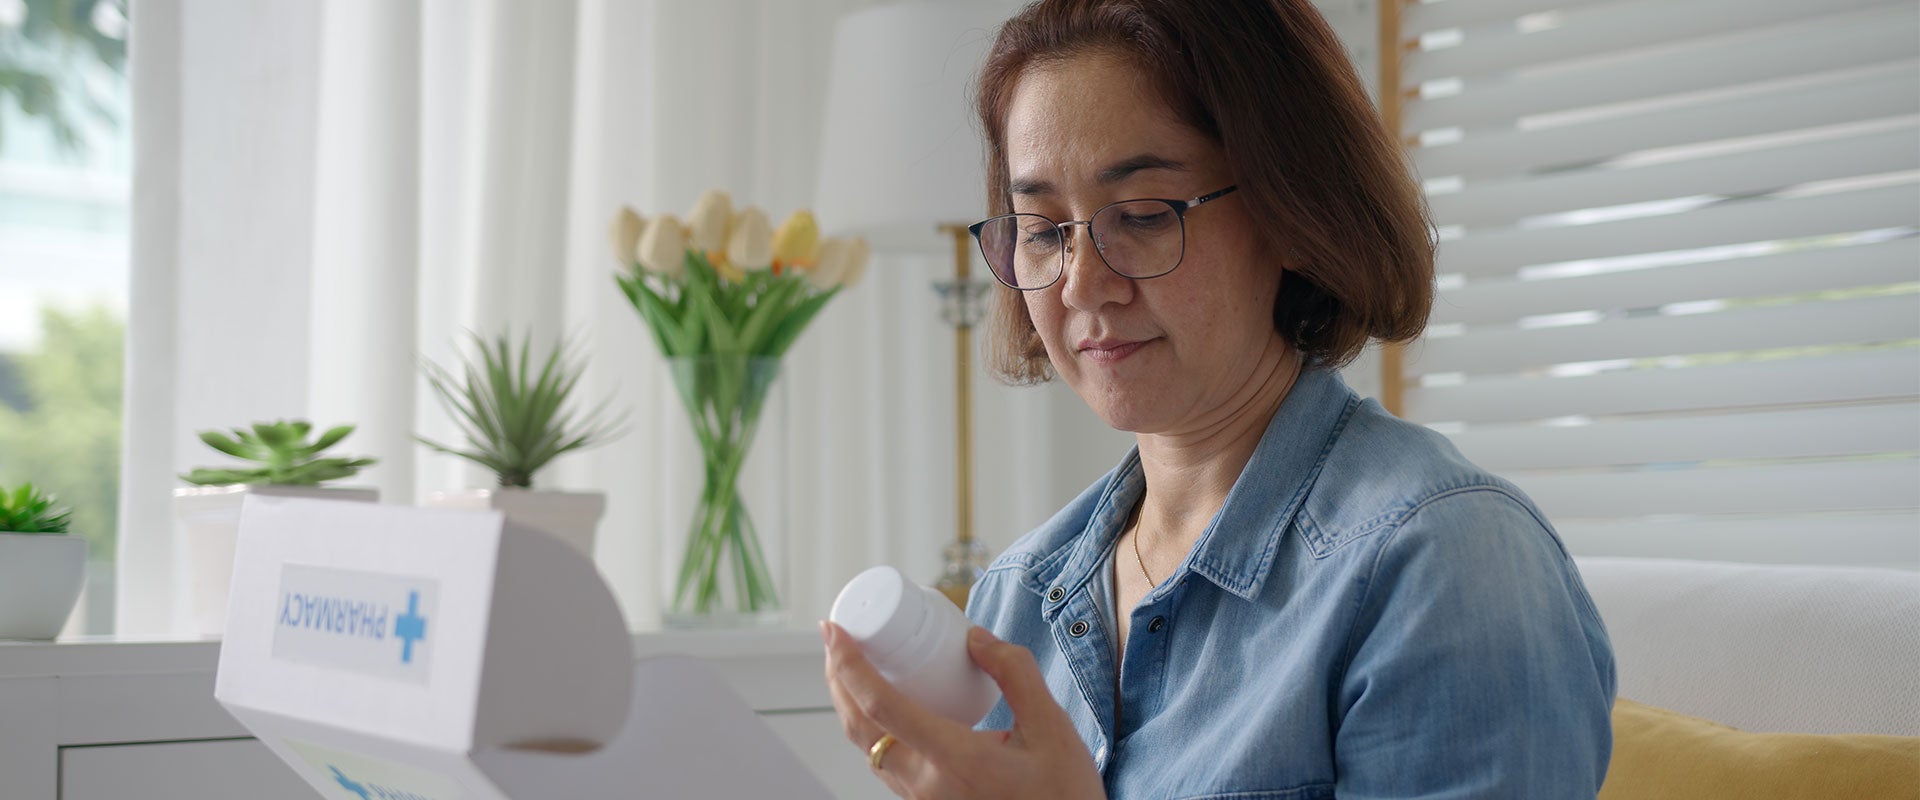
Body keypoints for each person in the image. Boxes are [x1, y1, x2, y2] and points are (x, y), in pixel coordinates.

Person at [821, 0, 1617, 797]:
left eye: (1140, 216)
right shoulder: (1017, 598)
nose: (1082, 285)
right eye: (1044, 229)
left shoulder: (1442, 564)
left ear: (1292, 214)